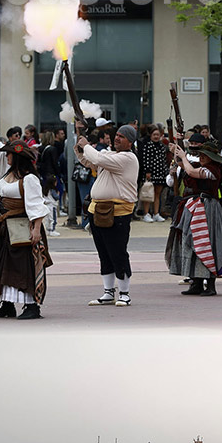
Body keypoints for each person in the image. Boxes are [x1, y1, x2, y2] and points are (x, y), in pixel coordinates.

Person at [0, 119, 52, 320]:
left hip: (22, 227)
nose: (6, 156)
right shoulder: (6, 172)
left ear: (17, 157)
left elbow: (37, 206)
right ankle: (7, 305)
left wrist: (36, 230)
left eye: (10, 154)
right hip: (4, 227)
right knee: (3, 264)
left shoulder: (29, 179)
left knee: (23, 266)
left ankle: (32, 306)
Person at [75, 122, 138, 307]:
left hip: (117, 212)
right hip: (98, 210)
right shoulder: (111, 155)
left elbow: (96, 158)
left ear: (130, 142)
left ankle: (124, 293)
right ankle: (108, 292)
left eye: (122, 137)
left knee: (118, 253)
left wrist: (86, 145)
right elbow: (88, 161)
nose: (116, 138)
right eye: (117, 135)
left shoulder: (128, 158)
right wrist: (80, 140)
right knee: (104, 253)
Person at [166, 139, 222, 296]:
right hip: (196, 207)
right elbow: (184, 166)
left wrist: (183, 157)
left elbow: (191, 172)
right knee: (192, 243)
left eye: (205, 155)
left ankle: (210, 285)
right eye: (201, 155)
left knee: (207, 243)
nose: (201, 157)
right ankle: (196, 283)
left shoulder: (214, 170)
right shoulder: (201, 166)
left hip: (208, 209)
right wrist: (176, 152)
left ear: (212, 158)